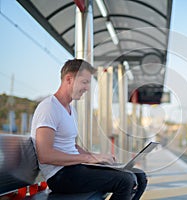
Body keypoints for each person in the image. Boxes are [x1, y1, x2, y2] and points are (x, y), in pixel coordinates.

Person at [30, 59, 147, 200]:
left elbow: (70, 145)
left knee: (140, 176)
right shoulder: (49, 107)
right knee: (125, 181)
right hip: (59, 176)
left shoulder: (70, 110)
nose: (87, 88)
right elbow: (45, 155)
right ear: (69, 79)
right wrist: (89, 158)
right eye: (84, 82)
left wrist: (96, 157)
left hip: (75, 168)